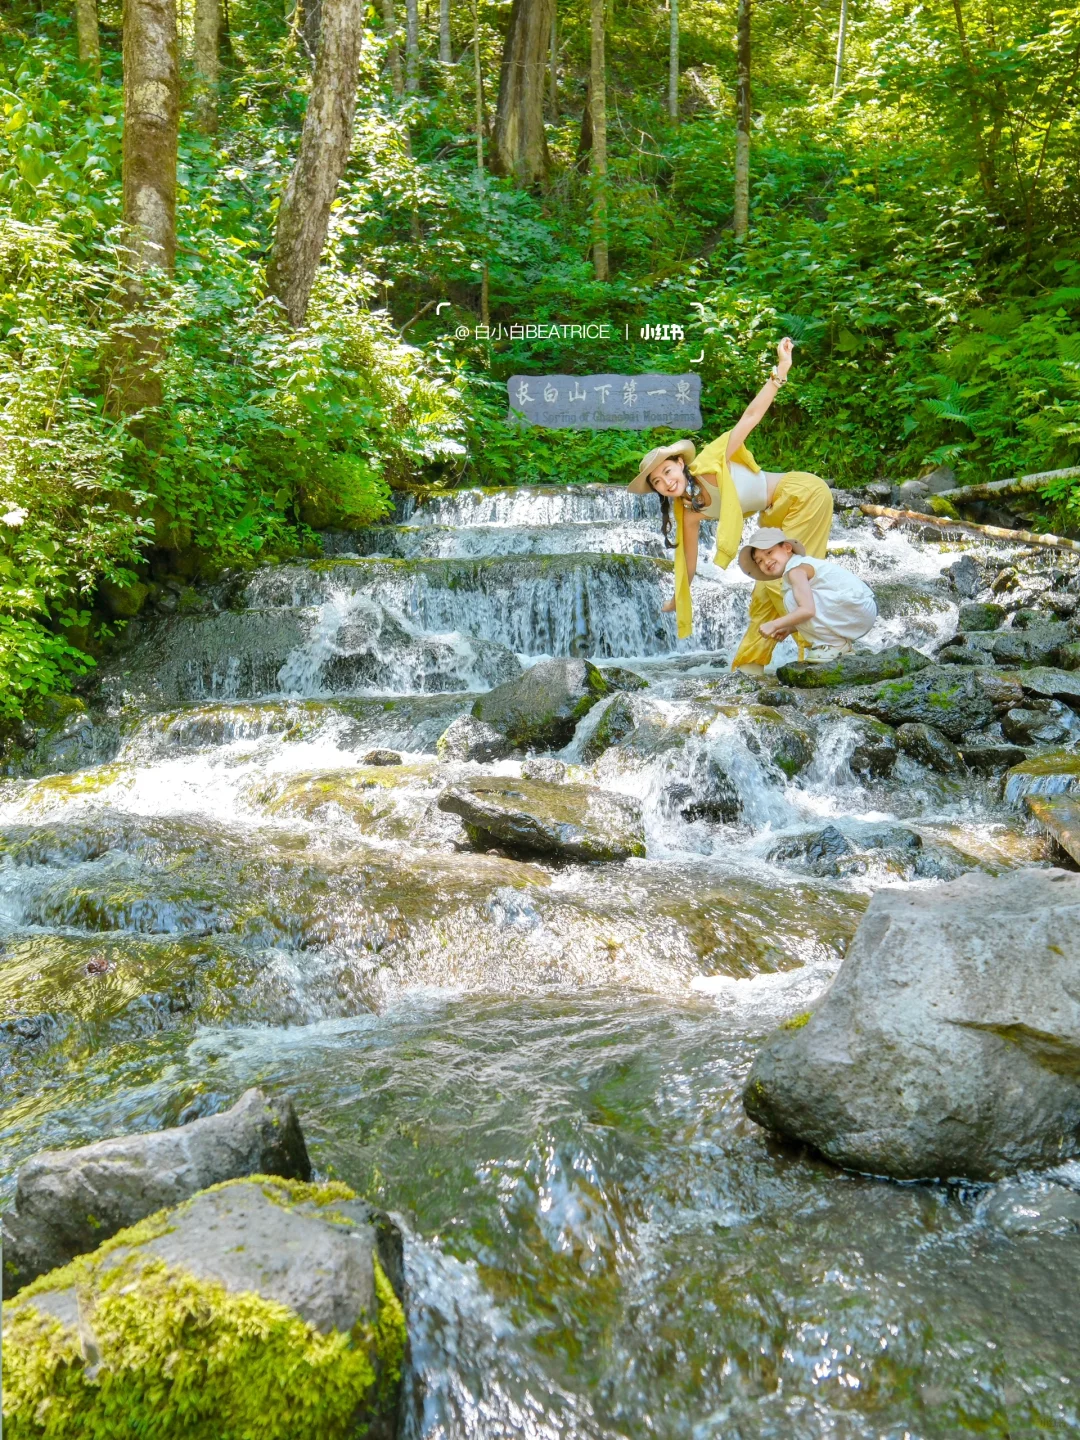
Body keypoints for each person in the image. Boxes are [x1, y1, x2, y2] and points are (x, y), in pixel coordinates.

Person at [627, 337, 833, 675]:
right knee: (764, 591)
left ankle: (821, 645)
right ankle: (749, 667)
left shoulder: (712, 464)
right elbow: (688, 563)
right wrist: (681, 595)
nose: (666, 482)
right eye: (658, 483)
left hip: (802, 495)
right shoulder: (689, 512)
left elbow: (751, 416)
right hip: (773, 516)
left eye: (667, 471)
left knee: (784, 580)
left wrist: (780, 371)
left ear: (680, 463)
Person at [738, 527, 878, 663]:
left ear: (787, 548)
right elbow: (818, 611)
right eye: (759, 561)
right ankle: (836, 644)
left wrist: (774, 624)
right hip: (859, 610)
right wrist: (790, 628)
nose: (766, 561)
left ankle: (836, 645)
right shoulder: (799, 567)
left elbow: (807, 610)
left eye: (769, 552)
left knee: (791, 599)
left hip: (858, 607)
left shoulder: (796, 570)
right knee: (794, 599)